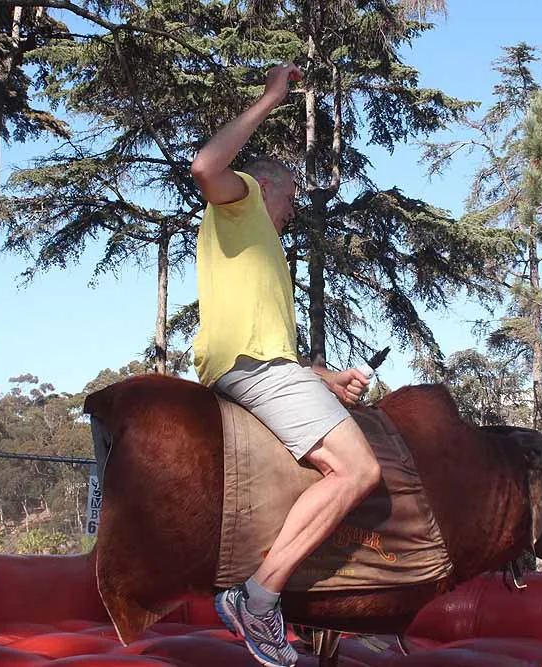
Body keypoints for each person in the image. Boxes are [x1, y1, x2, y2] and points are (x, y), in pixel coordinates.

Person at [190, 62, 383, 667]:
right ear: (267, 186)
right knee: (358, 470)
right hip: (253, 369)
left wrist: (327, 378)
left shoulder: (258, 245)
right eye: (293, 196)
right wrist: (273, 96)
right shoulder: (243, 201)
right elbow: (205, 166)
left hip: (263, 365)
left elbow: (278, 349)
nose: (294, 209)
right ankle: (258, 598)